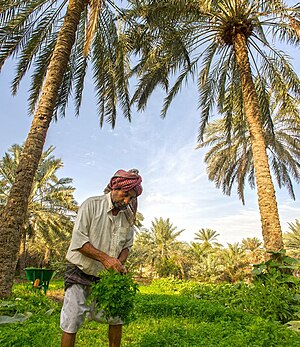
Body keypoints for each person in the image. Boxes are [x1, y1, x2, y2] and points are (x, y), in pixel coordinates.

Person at [60, 169, 143, 347]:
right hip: (80, 270)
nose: (127, 201)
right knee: (72, 319)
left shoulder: (127, 217)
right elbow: (79, 241)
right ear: (115, 187)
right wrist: (105, 259)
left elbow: (127, 246)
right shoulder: (91, 205)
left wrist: (119, 263)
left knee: (116, 317)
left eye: (131, 198)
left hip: (106, 277)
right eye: (125, 194)